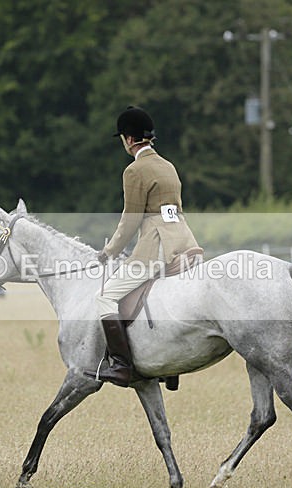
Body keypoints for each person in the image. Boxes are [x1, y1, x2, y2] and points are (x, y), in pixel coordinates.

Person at [85, 106, 200, 387]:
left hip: (157, 248)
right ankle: (169, 368)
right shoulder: (168, 165)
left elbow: (131, 219)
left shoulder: (134, 170)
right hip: (185, 243)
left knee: (105, 298)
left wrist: (109, 251)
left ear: (128, 139)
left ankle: (122, 366)